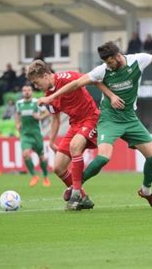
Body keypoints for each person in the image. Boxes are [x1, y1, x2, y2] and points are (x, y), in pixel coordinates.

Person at [38, 41, 152, 209]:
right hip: (109, 119)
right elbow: (75, 84)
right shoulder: (103, 70)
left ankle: (146, 191)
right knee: (103, 158)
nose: (107, 66)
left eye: (109, 62)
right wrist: (52, 98)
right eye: (105, 63)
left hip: (130, 118)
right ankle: (76, 187)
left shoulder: (138, 60)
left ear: (118, 56)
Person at [26, 60, 113, 211]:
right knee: (58, 167)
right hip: (75, 125)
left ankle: (75, 194)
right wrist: (52, 141)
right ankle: (84, 198)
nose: (36, 86)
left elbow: (94, 79)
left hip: (91, 118)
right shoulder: (48, 95)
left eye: (36, 82)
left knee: (75, 146)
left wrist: (110, 96)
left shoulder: (67, 77)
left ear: (46, 75)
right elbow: (55, 118)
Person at [15, 84, 51, 187]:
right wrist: (17, 124)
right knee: (25, 154)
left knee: (42, 157)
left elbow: (47, 113)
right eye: (24, 90)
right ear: (22, 92)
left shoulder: (37, 102)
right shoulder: (19, 103)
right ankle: (34, 176)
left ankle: (45, 177)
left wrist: (39, 117)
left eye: (29, 90)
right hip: (25, 134)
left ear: (32, 92)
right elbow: (17, 115)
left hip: (36, 134)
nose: (27, 92)